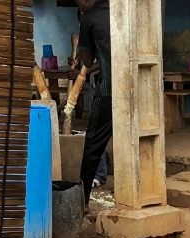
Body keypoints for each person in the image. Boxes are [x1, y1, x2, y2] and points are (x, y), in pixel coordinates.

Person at [76, 0, 112, 205]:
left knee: (92, 146)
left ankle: (82, 202)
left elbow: (88, 61)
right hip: (137, 87)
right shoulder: (120, 10)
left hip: (109, 90)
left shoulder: (88, 17)